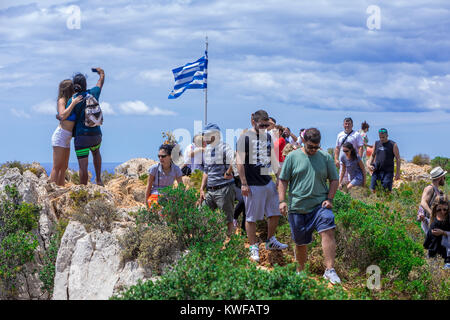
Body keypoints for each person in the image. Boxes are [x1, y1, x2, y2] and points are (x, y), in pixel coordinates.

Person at [278, 128, 341, 284]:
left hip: (319, 205)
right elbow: (283, 180)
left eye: (316, 147)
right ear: (304, 142)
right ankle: (300, 272)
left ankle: (330, 270)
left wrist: (330, 199)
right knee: (300, 242)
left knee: (328, 228)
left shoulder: (325, 157)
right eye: (310, 146)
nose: (313, 150)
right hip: (297, 207)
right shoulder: (292, 157)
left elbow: (334, 179)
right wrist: (282, 200)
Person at [236, 110, 288, 263]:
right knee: (251, 217)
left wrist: (279, 177)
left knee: (274, 212)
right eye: (262, 125)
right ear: (253, 122)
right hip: (252, 184)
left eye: (267, 125)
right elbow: (239, 161)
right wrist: (244, 183)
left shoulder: (267, 137)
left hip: (267, 181)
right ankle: (253, 247)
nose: (265, 127)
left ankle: (271, 240)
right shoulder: (245, 138)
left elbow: (272, 158)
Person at [69, 69, 105, 185]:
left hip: (81, 137)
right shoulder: (93, 93)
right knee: (96, 152)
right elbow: (100, 82)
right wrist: (101, 73)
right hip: (96, 134)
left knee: (83, 166)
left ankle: (83, 190)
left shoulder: (72, 100)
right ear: (85, 84)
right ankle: (98, 180)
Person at [199, 123, 236, 236]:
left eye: (206, 135)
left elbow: (234, 159)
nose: (204, 138)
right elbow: (206, 171)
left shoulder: (224, 147)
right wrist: (201, 189)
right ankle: (205, 241)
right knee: (200, 215)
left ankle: (231, 244)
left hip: (224, 189)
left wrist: (229, 172)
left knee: (228, 219)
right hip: (210, 190)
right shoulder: (207, 151)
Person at [50, 79, 83, 186]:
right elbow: (63, 115)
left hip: (67, 137)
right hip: (60, 135)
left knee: (64, 167)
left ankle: (60, 189)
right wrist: (73, 104)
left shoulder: (71, 100)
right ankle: (52, 190)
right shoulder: (62, 100)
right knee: (57, 166)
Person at [368, 128, 401, 192]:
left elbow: (398, 159)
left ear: (387, 135)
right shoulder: (376, 143)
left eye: (383, 137)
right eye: (380, 137)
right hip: (377, 170)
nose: (381, 139)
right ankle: (374, 201)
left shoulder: (393, 144)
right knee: (373, 189)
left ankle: (387, 201)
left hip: (388, 172)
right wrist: (369, 165)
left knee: (386, 191)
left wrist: (397, 173)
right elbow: (372, 155)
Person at [423, 194, 450, 270]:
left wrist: (443, 233)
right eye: (439, 209)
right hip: (434, 258)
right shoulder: (434, 222)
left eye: (445, 209)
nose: (442, 212)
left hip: (447, 259)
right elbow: (427, 243)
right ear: (435, 210)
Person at [334, 117, 364, 184]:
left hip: (353, 162)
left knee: (352, 180)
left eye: (349, 124)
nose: (347, 125)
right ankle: (343, 193)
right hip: (343, 161)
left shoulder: (356, 135)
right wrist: (336, 159)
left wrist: (359, 159)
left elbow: (361, 147)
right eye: (346, 124)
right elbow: (337, 148)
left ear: (352, 125)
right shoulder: (340, 135)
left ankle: (351, 193)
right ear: (343, 125)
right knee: (342, 180)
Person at [418, 166, 447, 232]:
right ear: (440, 178)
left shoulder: (438, 191)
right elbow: (423, 202)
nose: (444, 179)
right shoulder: (429, 188)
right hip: (429, 222)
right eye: (444, 177)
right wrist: (432, 215)